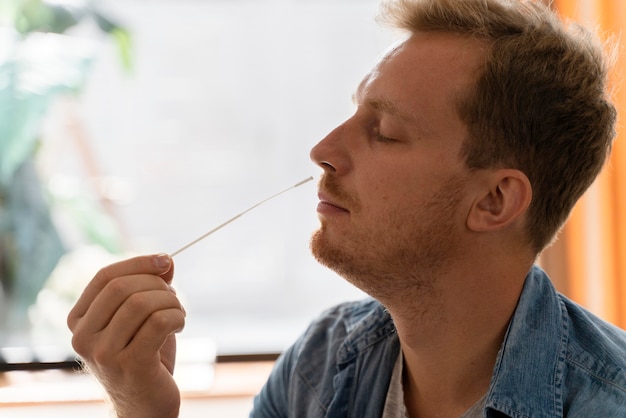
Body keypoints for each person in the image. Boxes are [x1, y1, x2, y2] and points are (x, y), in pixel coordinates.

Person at [67, 0, 626, 416]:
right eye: (355, 113)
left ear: (494, 200)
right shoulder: (325, 357)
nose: (323, 151)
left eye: (383, 131)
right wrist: (142, 405)